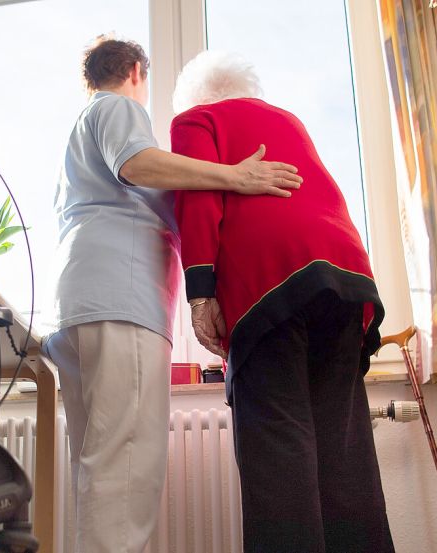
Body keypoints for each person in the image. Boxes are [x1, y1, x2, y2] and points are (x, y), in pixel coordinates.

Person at [43, 37, 302, 553]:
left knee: (98, 469)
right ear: (137, 70)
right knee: (127, 474)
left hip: (77, 307)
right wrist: (235, 174)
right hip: (121, 302)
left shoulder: (79, 137)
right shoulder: (118, 107)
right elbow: (138, 164)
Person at [171, 50, 394, 553]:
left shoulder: (195, 121)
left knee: (279, 455)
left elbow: (199, 199)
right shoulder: (287, 121)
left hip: (270, 285)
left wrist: (201, 293)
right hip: (344, 281)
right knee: (344, 454)